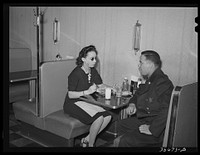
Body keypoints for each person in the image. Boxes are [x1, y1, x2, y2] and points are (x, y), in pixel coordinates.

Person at [115, 50, 174, 147]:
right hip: (145, 119)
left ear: (150, 64)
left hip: (156, 126)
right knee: (121, 124)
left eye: (141, 62)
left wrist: (152, 129)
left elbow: (167, 110)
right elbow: (138, 94)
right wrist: (132, 104)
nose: (139, 65)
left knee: (126, 140)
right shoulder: (151, 79)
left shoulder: (162, 82)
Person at [63, 45, 112, 147]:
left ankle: (86, 140)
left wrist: (113, 88)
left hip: (85, 101)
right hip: (73, 103)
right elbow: (70, 94)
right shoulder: (75, 73)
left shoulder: (92, 70)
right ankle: (91, 144)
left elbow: (100, 85)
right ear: (83, 59)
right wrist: (87, 91)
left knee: (107, 116)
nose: (95, 61)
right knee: (98, 119)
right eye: (92, 59)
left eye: (95, 58)